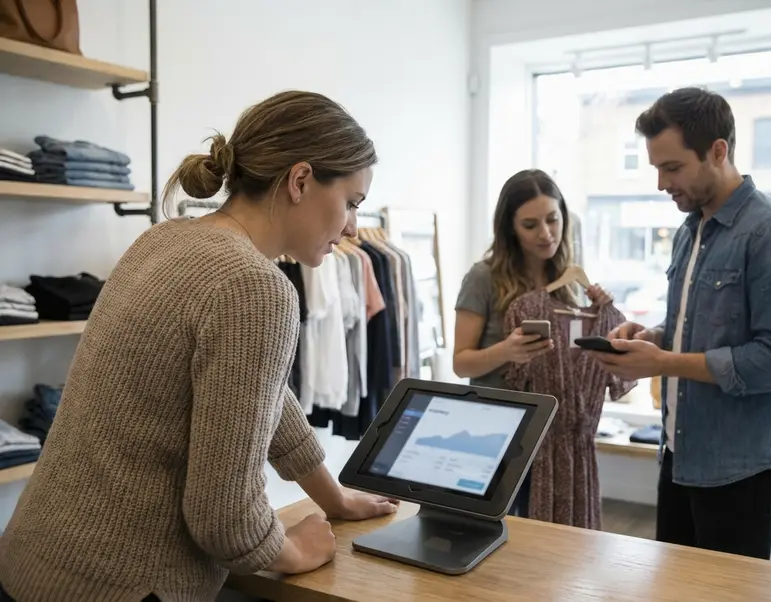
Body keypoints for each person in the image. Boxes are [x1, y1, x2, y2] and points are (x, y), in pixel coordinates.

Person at [0, 91, 398, 602]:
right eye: (351, 202)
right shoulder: (255, 287)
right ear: (300, 180)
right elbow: (225, 518)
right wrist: (294, 550)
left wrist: (331, 495)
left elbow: (257, 395)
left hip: (31, 560)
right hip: (118, 587)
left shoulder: (164, 240)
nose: (351, 227)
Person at [591, 87, 771, 560]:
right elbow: (689, 329)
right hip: (680, 451)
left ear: (719, 151)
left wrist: (665, 361)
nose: (660, 183)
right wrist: (648, 338)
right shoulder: (688, 231)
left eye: (672, 168)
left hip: (742, 467)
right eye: (656, 168)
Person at [453, 168, 613, 517]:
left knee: (548, 544)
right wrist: (506, 351)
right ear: (510, 227)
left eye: (553, 220)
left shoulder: (568, 280)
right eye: (530, 225)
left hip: (554, 435)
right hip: (496, 432)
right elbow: (461, 362)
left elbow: (577, 352)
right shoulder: (484, 277)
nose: (546, 233)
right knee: (500, 537)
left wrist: (598, 312)